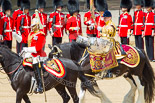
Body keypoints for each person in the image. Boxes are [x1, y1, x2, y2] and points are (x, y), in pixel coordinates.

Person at [22, 17, 47, 93]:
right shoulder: (31, 34)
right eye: (32, 26)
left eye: (33, 26)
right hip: (31, 54)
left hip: (39, 55)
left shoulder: (41, 34)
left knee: (36, 64)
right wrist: (15, 35)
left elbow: (38, 48)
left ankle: (40, 86)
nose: (32, 27)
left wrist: (27, 49)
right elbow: (23, 40)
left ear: (37, 25)